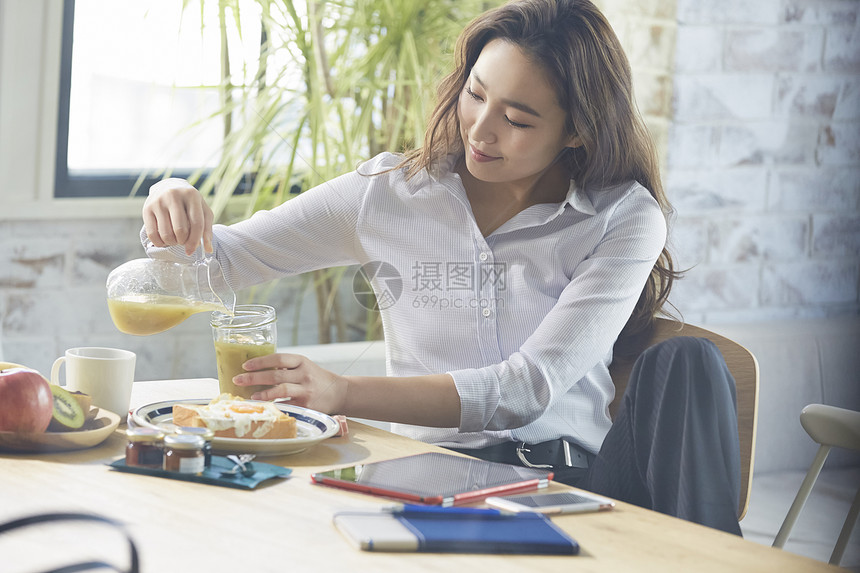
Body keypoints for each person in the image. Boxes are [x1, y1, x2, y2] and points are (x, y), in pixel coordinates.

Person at [141, 0, 742, 535]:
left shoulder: (622, 217)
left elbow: (527, 388)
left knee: (687, 362)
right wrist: (173, 206)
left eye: (518, 119)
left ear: (578, 131)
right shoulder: (387, 193)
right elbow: (219, 265)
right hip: (435, 480)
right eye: (476, 94)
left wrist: (342, 391)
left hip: (578, 483)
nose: (480, 129)